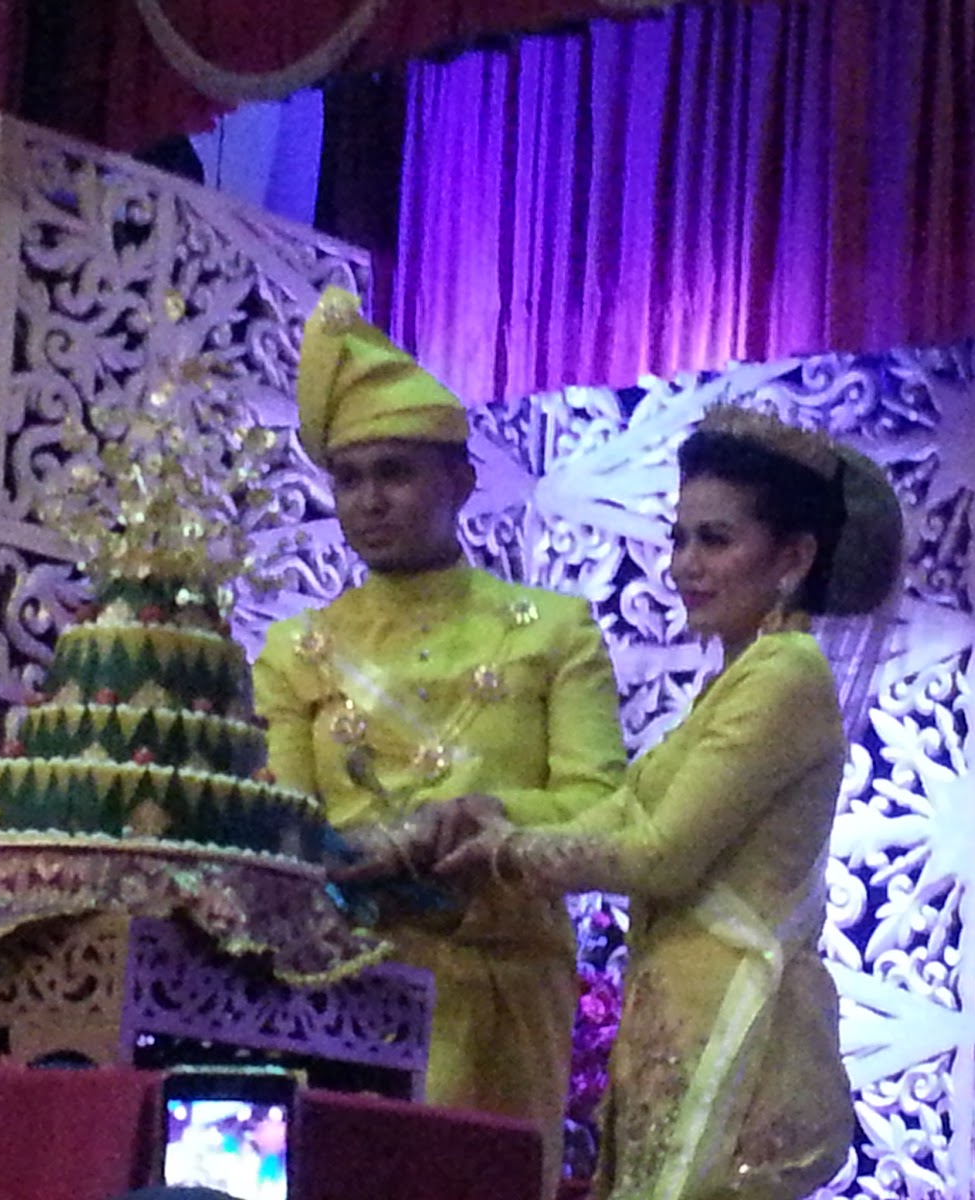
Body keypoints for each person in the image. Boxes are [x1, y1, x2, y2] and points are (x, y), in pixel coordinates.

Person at [434, 405, 905, 1200]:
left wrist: (507, 851)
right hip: (680, 1014)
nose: (685, 565)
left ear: (793, 557)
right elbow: (624, 813)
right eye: (679, 539)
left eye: (715, 540)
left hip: (732, 1025)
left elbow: (660, 854)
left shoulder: (787, 675)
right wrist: (503, 819)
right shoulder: (739, 678)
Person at [253, 288, 627, 1186]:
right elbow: (281, 832)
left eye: (395, 473)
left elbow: (602, 808)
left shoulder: (554, 631)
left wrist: (487, 815)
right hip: (344, 990)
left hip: (503, 982)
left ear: (460, 482)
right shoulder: (296, 648)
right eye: (348, 479)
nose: (369, 501)